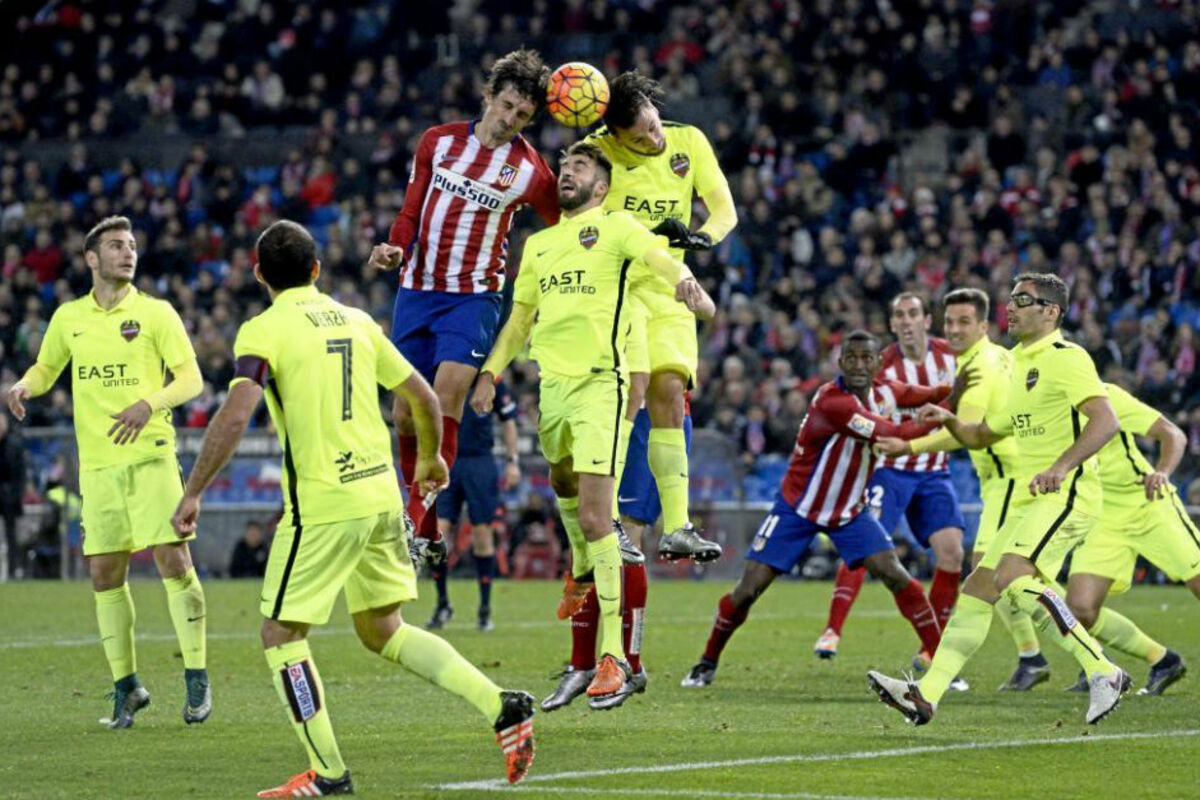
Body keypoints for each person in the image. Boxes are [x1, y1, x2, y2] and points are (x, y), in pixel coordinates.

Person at [171, 220, 536, 797]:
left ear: (259, 273)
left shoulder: (262, 330)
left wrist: (192, 491)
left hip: (324, 505)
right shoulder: (358, 321)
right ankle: (499, 704)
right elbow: (423, 394)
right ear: (316, 270)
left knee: (279, 634)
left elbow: (237, 413)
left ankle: (328, 774)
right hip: (379, 495)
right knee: (383, 629)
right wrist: (430, 459)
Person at [470, 140, 712, 710]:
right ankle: (582, 568)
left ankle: (613, 658)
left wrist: (684, 280)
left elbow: (659, 258)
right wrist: (490, 372)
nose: (567, 172)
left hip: (603, 385)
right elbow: (519, 320)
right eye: (564, 166)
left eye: (579, 166)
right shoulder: (539, 245)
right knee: (562, 484)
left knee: (600, 518)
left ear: (601, 186)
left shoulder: (618, 227)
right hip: (551, 388)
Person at [868, 273, 1130, 726]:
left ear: (1051, 311)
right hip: (1032, 498)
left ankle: (1103, 670)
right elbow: (984, 434)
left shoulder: (1067, 357)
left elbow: (1105, 421)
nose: (1011, 306)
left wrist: (1060, 466)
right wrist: (949, 420)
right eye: (1011, 298)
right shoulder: (1019, 363)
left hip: (1068, 493)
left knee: (1013, 578)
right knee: (978, 589)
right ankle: (925, 694)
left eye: (1024, 300)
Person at [5, 215, 209, 729]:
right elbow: (48, 368)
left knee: (172, 559)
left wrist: (148, 403)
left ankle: (196, 678)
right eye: (116, 245)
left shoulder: (156, 313)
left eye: (132, 244)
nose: (128, 252)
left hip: (151, 457)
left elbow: (191, 379)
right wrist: (25, 384)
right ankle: (127, 687)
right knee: (104, 574)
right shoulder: (69, 317)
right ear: (92, 258)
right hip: (97, 467)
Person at [369, 49, 558, 564]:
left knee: (446, 396)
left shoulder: (530, 171)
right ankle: (429, 529)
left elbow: (564, 223)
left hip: (474, 297)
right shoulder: (438, 141)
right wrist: (395, 248)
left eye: (523, 115)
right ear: (488, 95)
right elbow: (410, 212)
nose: (511, 119)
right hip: (417, 290)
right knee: (405, 414)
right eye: (507, 106)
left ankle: (413, 520)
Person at [680, 331, 951, 689]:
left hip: (850, 511)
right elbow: (891, 432)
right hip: (798, 508)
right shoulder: (833, 401)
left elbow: (929, 393)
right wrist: (945, 418)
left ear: (878, 364)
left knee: (896, 574)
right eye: (851, 358)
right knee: (748, 591)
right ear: (840, 363)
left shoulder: (886, 390)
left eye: (866, 358)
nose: (858, 365)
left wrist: (964, 387)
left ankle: (944, 666)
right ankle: (706, 662)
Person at [586, 70, 737, 562]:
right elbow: (581, 222)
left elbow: (724, 210)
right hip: (620, 289)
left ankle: (678, 528)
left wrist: (701, 237)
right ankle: (608, 517)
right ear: (616, 137)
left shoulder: (688, 140)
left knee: (671, 392)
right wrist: (649, 233)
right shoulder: (597, 153)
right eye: (639, 138)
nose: (653, 140)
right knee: (631, 394)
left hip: (671, 287)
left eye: (653, 126)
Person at [877, 288, 1050, 691]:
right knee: (1005, 577)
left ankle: (1078, 653)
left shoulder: (981, 366)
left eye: (963, 322)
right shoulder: (996, 356)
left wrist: (907, 446)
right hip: (1006, 477)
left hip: (1011, 477)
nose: (953, 330)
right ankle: (1036, 656)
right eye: (949, 322)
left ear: (983, 326)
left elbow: (963, 433)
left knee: (988, 576)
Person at [815, 293, 966, 670]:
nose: (907, 320)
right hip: (891, 470)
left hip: (934, 471)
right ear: (893, 324)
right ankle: (833, 630)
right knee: (866, 544)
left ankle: (931, 648)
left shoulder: (952, 356)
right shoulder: (880, 366)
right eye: (899, 315)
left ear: (926, 320)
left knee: (952, 553)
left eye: (913, 313)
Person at [1059, 382, 1195, 695]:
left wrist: (1162, 471)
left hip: (1147, 503)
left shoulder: (1104, 396)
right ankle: (1163, 661)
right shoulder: (1042, 409)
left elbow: (1173, 434)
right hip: (1103, 518)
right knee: (1080, 609)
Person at [427, 377, 521, 632]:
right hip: (446, 460)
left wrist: (512, 461)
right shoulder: (443, 373)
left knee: (482, 534)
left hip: (480, 461)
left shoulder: (492, 379)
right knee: (438, 533)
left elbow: (508, 421)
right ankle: (443, 603)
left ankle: (484, 608)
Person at [0, 413, 26, 580]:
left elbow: (20, 475)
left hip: (9, 496)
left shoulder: (14, 445)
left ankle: (13, 569)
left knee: (12, 534)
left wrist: (16, 495)